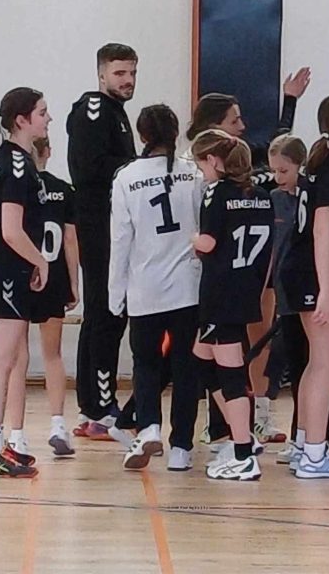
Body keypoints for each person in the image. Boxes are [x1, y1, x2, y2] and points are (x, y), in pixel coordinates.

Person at [185, 67, 311, 445]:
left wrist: (290, 102)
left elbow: (277, 148)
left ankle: (245, 434)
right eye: (234, 121)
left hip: (233, 278)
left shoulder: (230, 185)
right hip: (228, 279)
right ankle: (227, 428)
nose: (242, 126)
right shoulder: (207, 176)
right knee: (212, 358)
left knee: (237, 356)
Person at [109, 105, 204, 472]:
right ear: (176, 133)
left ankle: (148, 426)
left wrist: (115, 293)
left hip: (144, 289)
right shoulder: (192, 173)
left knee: (146, 364)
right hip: (187, 288)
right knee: (186, 369)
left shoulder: (126, 177)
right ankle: (181, 447)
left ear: (142, 135)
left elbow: (121, 241)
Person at [0, 88, 52, 478]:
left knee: (15, 358)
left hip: (1, 267)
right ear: (21, 120)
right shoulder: (16, 163)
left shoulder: (9, 160)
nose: (48, 118)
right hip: (4, 268)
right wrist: (41, 260)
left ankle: (0, 443)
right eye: (42, 112)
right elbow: (10, 230)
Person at [279, 95, 329, 479]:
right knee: (325, 363)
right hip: (314, 274)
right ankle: (314, 455)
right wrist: (327, 289)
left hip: (301, 271)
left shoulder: (319, 163)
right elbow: (322, 230)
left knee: (317, 362)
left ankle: (304, 446)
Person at [191, 130, 274, 481]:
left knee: (231, 376)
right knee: (202, 359)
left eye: (201, 164)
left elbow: (208, 243)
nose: (201, 172)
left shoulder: (217, 193)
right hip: (246, 289)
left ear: (214, 161)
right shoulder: (263, 196)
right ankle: (244, 436)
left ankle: (243, 453)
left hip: (220, 291)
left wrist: (192, 238)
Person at [67, 43, 138, 440]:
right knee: (106, 313)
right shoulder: (95, 108)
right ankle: (99, 406)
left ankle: (94, 404)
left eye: (131, 73)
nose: (127, 80)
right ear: (101, 74)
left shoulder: (116, 113)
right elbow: (90, 167)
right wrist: (138, 167)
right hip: (99, 226)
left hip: (112, 225)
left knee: (106, 314)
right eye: (119, 73)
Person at [2, 137, 79, 463]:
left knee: (17, 359)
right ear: (49, 152)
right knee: (53, 354)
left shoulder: (20, 185)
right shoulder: (63, 190)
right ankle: (58, 425)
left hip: (22, 273)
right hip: (54, 276)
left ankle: (17, 435)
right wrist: (74, 283)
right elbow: (71, 240)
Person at [265, 135, 310, 466]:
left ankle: (309, 434)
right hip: (282, 292)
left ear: (300, 166)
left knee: (307, 366)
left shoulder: (312, 196)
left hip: (308, 291)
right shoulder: (273, 200)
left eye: (284, 171)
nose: (278, 177)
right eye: (274, 171)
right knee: (293, 364)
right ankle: (299, 437)